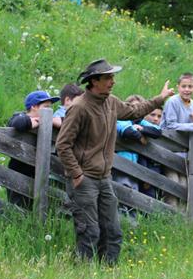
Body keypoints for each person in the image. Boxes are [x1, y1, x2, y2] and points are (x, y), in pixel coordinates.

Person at [55, 58, 173, 264]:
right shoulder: (79, 107)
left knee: (113, 231)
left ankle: (108, 272)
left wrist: (159, 98)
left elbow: (135, 111)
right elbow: (63, 145)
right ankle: (84, 273)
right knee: (89, 231)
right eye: (108, 77)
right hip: (84, 180)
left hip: (104, 178)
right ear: (94, 81)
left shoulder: (111, 102)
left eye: (112, 77)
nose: (113, 81)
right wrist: (77, 174)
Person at [6, 90, 60, 208]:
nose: (49, 111)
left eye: (50, 107)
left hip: (41, 169)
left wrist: (46, 120)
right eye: (46, 107)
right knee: (18, 204)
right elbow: (18, 123)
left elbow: (66, 124)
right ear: (34, 107)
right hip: (19, 168)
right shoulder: (19, 116)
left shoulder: (48, 121)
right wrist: (35, 122)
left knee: (38, 202)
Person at [160, 72, 193, 207]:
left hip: (185, 152)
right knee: (173, 181)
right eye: (184, 86)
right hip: (170, 149)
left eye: (190, 86)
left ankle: (182, 214)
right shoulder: (172, 102)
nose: (187, 89)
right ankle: (170, 211)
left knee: (185, 184)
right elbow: (170, 125)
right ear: (178, 87)